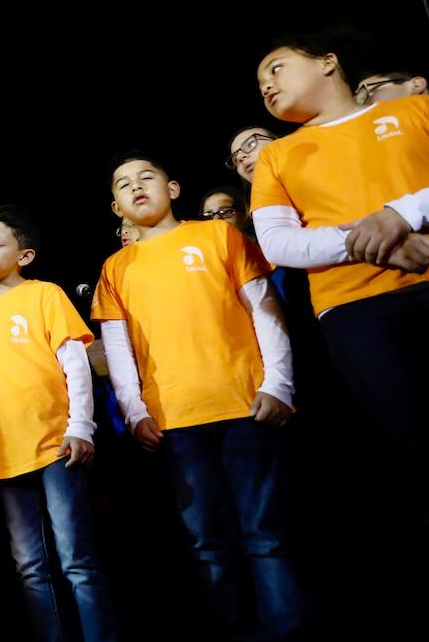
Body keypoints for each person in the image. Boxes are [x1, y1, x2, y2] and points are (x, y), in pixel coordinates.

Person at [94, 150, 303, 638]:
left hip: (245, 404)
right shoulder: (116, 268)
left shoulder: (217, 235)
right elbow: (118, 349)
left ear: (173, 189)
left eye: (148, 176)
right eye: (124, 184)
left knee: (265, 534)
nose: (137, 186)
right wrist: (135, 410)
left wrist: (279, 384)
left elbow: (264, 308)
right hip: (175, 419)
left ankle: (290, 629)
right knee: (207, 542)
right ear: (116, 208)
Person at [251, 32, 429, 532]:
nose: (267, 85)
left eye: (277, 68)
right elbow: (279, 245)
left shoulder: (416, 112)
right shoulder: (277, 156)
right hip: (354, 310)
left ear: (328, 62)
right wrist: (383, 241)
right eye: (261, 82)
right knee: (412, 451)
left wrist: (402, 213)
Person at [0, 207, 116, 642]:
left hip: (54, 443)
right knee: (29, 565)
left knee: (75, 558)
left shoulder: (45, 295)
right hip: (4, 452)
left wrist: (81, 426)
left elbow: (75, 363)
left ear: (23, 255)